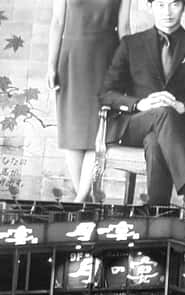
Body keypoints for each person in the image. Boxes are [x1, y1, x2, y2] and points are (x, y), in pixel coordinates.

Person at [99, 0, 185, 208]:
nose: (167, 12)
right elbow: (106, 94)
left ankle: (156, 209)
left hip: (183, 130)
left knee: (155, 141)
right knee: (161, 112)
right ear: (149, 7)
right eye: (161, 5)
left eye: (174, 5)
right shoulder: (131, 44)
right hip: (136, 125)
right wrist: (140, 104)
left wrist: (183, 107)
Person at [47, 0, 125, 199]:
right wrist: (51, 66)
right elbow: (57, 21)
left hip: (107, 58)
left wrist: (128, 68)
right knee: (71, 131)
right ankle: (85, 198)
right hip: (71, 57)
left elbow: (124, 28)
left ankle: (80, 198)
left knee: (98, 131)